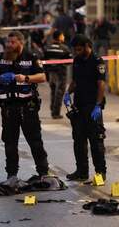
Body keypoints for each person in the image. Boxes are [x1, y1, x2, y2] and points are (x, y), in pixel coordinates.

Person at [0, 31, 49, 179]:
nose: (9, 45)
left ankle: (43, 172)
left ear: (20, 43)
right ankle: (12, 175)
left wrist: (26, 78)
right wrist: (0, 78)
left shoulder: (31, 57)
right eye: (8, 42)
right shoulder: (1, 58)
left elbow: (42, 77)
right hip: (8, 108)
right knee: (10, 143)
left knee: (35, 142)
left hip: (27, 107)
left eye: (12, 42)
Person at [63, 34, 107, 181]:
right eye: (75, 50)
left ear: (88, 46)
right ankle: (81, 172)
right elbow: (75, 81)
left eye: (80, 49)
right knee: (79, 141)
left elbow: (101, 84)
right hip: (79, 105)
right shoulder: (77, 60)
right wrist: (68, 93)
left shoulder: (97, 61)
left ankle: (100, 173)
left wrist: (98, 105)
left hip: (92, 106)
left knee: (96, 141)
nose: (77, 52)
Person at [43, 30, 72, 119]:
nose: (63, 37)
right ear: (59, 37)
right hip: (61, 73)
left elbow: (44, 59)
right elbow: (69, 60)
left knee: (53, 90)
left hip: (50, 72)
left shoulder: (47, 47)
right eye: (62, 35)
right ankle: (56, 113)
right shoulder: (64, 48)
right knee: (59, 92)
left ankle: (52, 108)